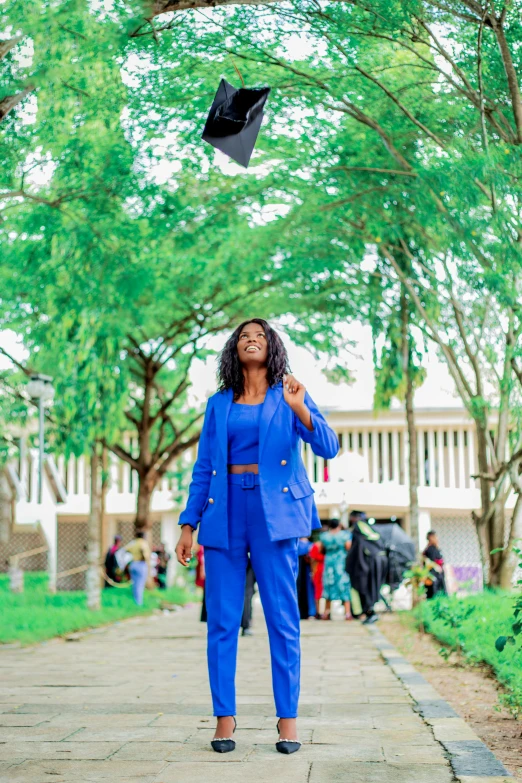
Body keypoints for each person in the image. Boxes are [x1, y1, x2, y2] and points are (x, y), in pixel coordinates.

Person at [175, 318, 339, 755]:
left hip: (276, 513)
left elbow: (328, 446)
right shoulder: (218, 403)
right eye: (244, 336)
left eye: (260, 336)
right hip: (225, 509)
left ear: (273, 348)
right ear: (234, 349)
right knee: (223, 621)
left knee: (282, 621)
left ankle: (287, 721)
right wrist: (188, 524)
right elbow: (204, 467)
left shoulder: (288, 395)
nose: (251, 340)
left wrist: (301, 407)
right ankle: (224, 718)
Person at [320, 519, 352, 620]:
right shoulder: (344, 535)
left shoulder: (324, 536)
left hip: (329, 562)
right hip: (341, 562)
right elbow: (348, 547)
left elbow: (321, 549)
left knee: (328, 585)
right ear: (339, 525)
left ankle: (326, 612)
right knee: (343, 585)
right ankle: (347, 613)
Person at [125, 530, 151, 606]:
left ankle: (134, 602)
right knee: (140, 584)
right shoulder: (143, 543)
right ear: (143, 536)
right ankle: (139, 604)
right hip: (141, 564)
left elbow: (126, 549)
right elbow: (145, 555)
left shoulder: (133, 543)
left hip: (133, 564)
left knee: (135, 584)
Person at [422, 530, 447, 599]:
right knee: (434, 595)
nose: (437, 539)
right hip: (434, 577)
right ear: (431, 538)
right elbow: (431, 564)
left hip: (439, 576)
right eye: (435, 537)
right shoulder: (430, 550)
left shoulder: (436, 549)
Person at [296, 538, 316, 620]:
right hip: (306, 572)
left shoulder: (296, 544)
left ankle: (299, 612)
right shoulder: (310, 545)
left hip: (299, 572)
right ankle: (309, 612)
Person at [309, 536, 325, 618]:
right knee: (324, 592)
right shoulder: (326, 545)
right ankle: (325, 612)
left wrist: (312, 571)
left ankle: (318, 611)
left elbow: (312, 560)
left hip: (318, 570)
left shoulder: (315, 546)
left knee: (317, 592)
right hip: (325, 569)